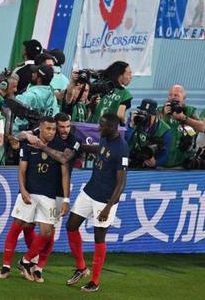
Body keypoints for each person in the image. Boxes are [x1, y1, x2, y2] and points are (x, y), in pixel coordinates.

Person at [65, 113, 128, 292]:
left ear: (113, 128)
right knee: (71, 226)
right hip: (90, 190)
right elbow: (97, 149)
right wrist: (79, 147)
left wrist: (108, 207)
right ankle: (82, 268)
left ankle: (95, 282)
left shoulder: (121, 148)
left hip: (105, 200)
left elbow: (121, 183)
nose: (99, 129)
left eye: (102, 126)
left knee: (99, 238)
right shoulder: (105, 139)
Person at [12, 117, 70, 282]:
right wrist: (23, 189)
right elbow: (16, 137)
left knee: (47, 232)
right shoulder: (31, 141)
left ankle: (27, 261)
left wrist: (66, 199)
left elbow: (65, 172)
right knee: (25, 226)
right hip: (33, 191)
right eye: (48, 129)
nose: (51, 132)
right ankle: (18, 264)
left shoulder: (61, 146)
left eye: (54, 129)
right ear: (41, 129)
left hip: (53, 195)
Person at [159, 85, 198, 168]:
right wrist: (164, 116)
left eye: (176, 95)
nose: (172, 98)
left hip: (183, 162)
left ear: (184, 98)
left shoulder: (190, 111)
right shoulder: (160, 110)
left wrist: (184, 119)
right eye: (170, 95)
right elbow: (154, 131)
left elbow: (201, 127)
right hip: (162, 161)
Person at [12, 65, 59, 134]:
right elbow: (55, 117)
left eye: (35, 73)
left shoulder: (28, 96)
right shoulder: (53, 98)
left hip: (19, 135)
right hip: (42, 137)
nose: (32, 74)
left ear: (39, 79)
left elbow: (11, 111)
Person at [125, 99, 172, 168]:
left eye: (149, 115)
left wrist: (156, 163)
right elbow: (125, 142)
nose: (145, 117)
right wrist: (131, 126)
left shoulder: (165, 130)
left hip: (149, 167)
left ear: (155, 115)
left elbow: (166, 154)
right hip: (131, 161)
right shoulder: (134, 120)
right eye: (143, 113)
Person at [89, 61, 133, 125]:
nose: (131, 77)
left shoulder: (100, 86)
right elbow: (120, 115)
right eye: (129, 74)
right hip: (108, 130)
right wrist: (124, 122)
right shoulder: (125, 94)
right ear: (120, 75)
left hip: (91, 127)